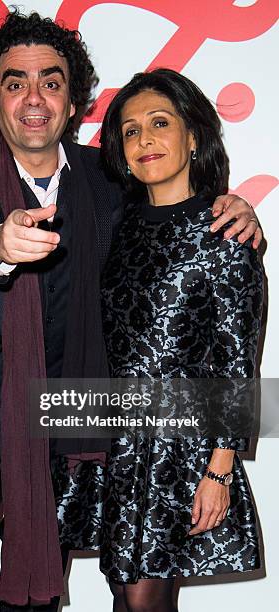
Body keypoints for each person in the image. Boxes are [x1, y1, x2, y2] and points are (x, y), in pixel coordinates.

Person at [0, 9, 262, 612]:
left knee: (42, 589)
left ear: (72, 102)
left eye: (51, 81)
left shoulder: (108, 180)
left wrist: (237, 206)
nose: (33, 98)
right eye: (14, 83)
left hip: (71, 424)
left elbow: (174, 209)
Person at [98, 68, 263, 612]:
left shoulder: (225, 232)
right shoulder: (113, 226)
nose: (144, 139)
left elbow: (238, 363)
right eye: (129, 130)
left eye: (160, 123)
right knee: (124, 597)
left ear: (193, 136)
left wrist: (219, 470)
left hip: (182, 451)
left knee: (147, 601)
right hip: (113, 442)